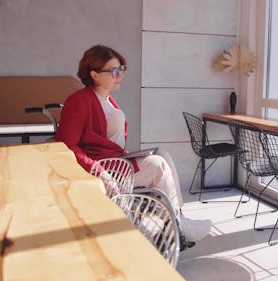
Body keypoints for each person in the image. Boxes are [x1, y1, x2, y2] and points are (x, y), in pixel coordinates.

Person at [55, 44, 212, 243]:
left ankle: (178, 217)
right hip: (104, 167)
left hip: (116, 160)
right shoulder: (80, 100)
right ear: (94, 74)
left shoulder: (108, 99)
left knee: (162, 153)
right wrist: (98, 171)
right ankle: (175, 226)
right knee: (158, 165)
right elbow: (67, 146)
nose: (119, 75)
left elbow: (111, 141)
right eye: (113, 71)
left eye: (121, 69)